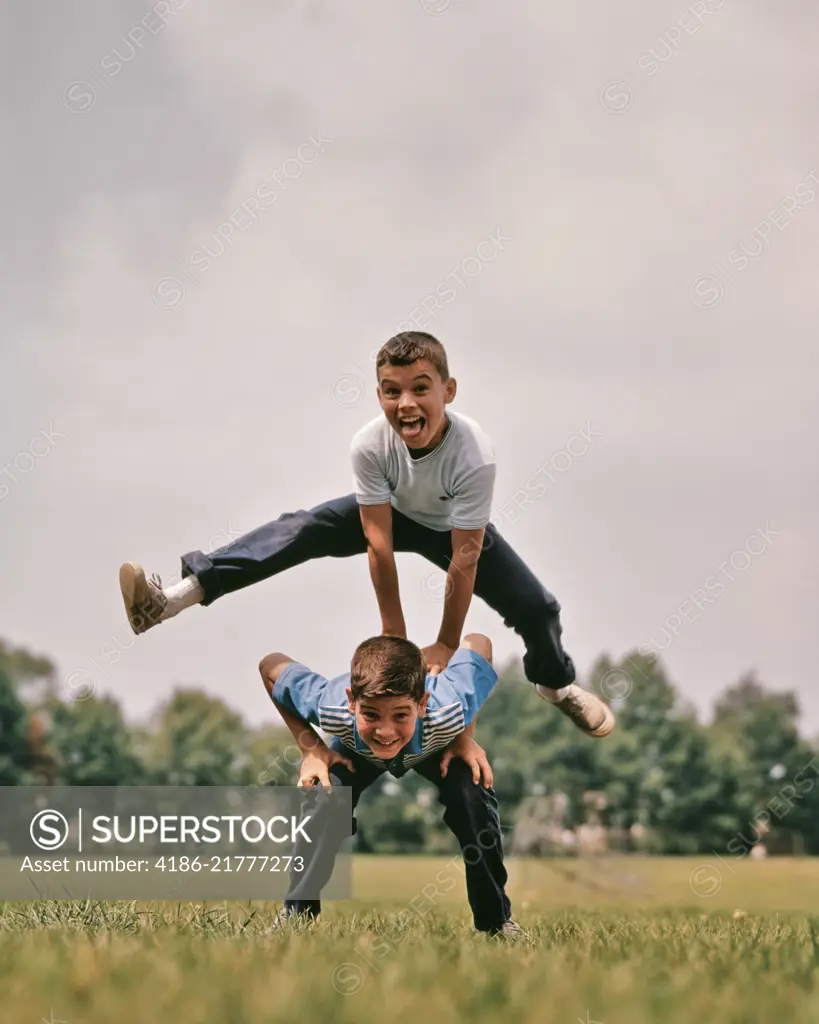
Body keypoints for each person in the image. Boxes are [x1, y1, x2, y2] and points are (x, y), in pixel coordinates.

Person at [119, 331, 614, 738]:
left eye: (421, 388)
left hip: (451, 530)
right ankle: (172, 600)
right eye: (391, 391)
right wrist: (394, 636)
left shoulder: (473, 455)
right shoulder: (369, 445)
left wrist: (444, 642)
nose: (406, 404)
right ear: (379, 394)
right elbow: (379, 545)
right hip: (393, 515)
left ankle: (557, 686)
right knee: (303, 527)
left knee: (539, 608)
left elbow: (466, 559)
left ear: (449, 390)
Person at [259, 630, 522, 938]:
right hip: (356, 752)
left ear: (422, 704)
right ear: (352, 702)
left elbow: (479, 642)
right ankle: (297, 916)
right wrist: (312, 749)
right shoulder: (330, 706)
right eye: (371, 714)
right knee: (324, 797)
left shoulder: (448, 707)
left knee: (471, 792)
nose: (385, 731)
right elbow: (270, 666)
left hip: (434, 745)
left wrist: (464, 737)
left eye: (400, 715)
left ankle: (496, 922)